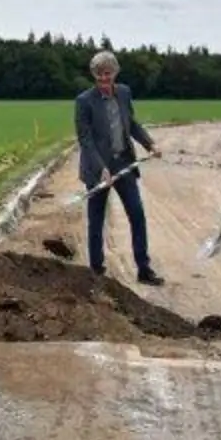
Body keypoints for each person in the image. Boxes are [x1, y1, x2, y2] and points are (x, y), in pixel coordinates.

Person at [74, 50, 164, 285]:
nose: (103, 79)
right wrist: (101, 168)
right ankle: (96, 271)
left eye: (107, 74)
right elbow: (85, 140)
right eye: (98, 75)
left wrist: (150, 144)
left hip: (124, 163)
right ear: (93, 75)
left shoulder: (124, 93)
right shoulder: (84, 101)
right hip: (98, 169)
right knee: (96, 219)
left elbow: (131, 124)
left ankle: (144, 269)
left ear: (115, 72)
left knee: (137, 215)